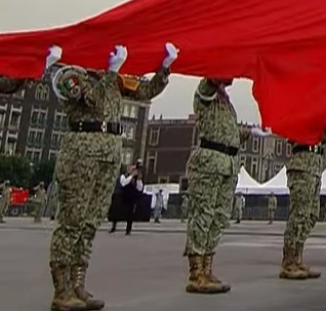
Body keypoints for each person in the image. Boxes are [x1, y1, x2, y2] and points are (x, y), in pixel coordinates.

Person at [44, 43, 174, 311]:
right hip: (81, 153)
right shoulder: (70, 75)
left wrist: (164, 68)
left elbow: (146, 91)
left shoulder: (114, 79)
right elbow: (91, 98)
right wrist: (111, 72)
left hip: (108, 155)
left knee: (91, 222)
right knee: (72, 221)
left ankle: (78, 284)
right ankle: (62, 290)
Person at [183, 76, 257, 294]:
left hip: (228, 165)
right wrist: (224, 68)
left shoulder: (226, 103)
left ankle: (207, 268)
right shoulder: (205, 93)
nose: (232, 79)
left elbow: (228, 133)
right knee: (203, 216)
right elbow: (210, 81)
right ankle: (196, 272)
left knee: (219, 218)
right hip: (209, 163)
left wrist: (249, 133)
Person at [280, 110, 326, 280]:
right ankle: (288, 261)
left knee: (311, 214)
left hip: (315, 165)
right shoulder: (301, 110)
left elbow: (323, 137)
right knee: (299, 215)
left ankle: (298, 258)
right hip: (302, 164)